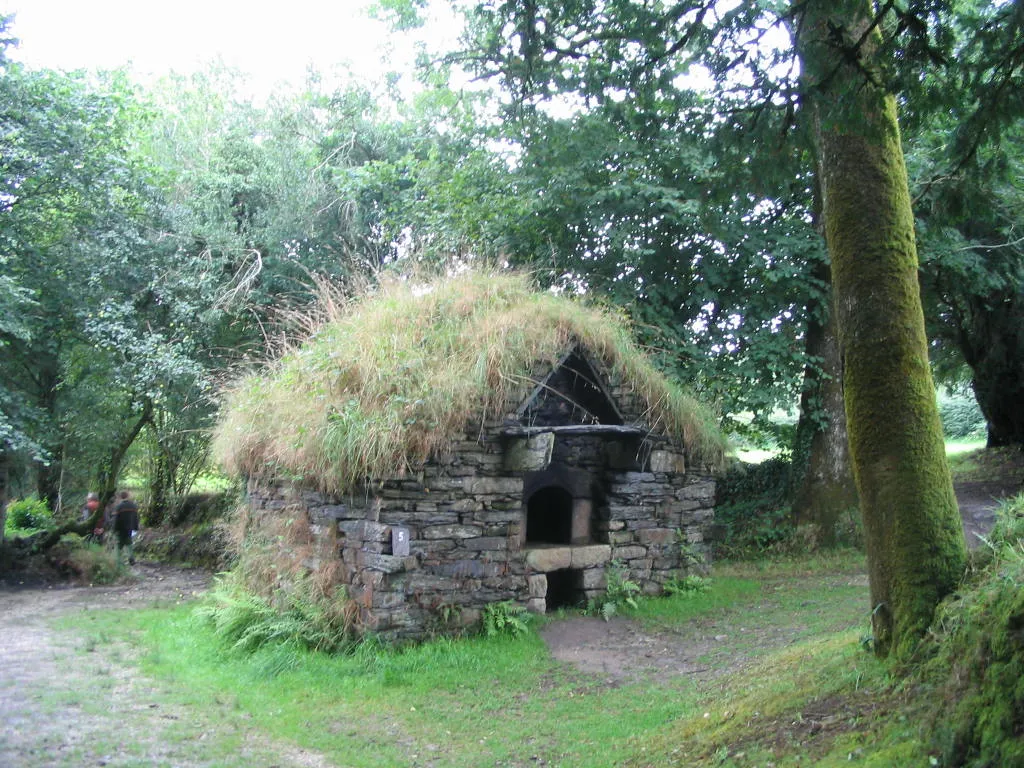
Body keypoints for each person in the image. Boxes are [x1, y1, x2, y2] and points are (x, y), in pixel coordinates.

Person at [112, 491, 140, 566]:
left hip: (120, 529)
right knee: (129, 543)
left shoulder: (119, 507)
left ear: (121, 497)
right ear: (127, 496)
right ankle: (131, 557)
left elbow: (116, 519)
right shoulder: (133, 506)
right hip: (130, 528)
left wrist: (114, 529)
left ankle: (118, 561)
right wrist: (135, 527)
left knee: (119, 546)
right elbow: (136, 518)